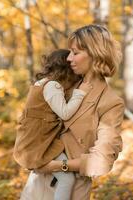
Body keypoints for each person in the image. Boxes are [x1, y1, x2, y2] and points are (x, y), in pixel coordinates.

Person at [20, 24, 125, 200]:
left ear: (95, 55)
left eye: (75, 53)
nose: (69, 58)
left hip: (71, 189)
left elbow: (102, 160)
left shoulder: (110, 102)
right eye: (70, 52)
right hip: (37, 183)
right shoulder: (62, 84)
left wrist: (59, 166)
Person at [13, 49, 92, 200]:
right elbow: (65, 113)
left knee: (66, 179)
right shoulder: (52, 86)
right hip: (41, 142)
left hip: (37, 140)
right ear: (66, 70)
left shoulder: (40, 83)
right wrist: (80, 93)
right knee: (67, 179)